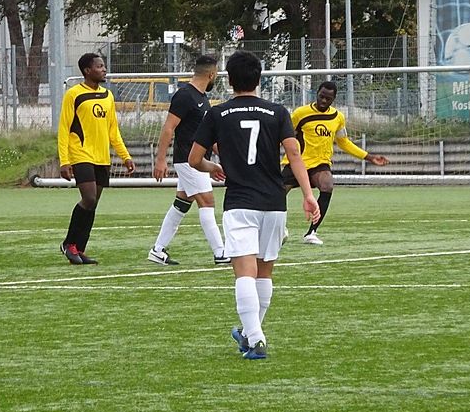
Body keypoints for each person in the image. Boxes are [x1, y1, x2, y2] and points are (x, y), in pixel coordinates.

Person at [189, 50, 320, 360]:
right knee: (264, 272)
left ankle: (256, 338)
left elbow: (194, 159)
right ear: (259, 79)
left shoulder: (218, 114)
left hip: (240, 203)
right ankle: (250, 334)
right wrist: (307, 194)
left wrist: (212, 167)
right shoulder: (278, 112)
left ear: (229, 80)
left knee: (244, 273)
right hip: (274, 203)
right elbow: (294, 155)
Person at [282, 81, 389, 245]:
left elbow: (343, 142)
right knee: (277, 193)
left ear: (334, 99)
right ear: (317, 93)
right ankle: (278, 227)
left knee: (327, 186)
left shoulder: (337, 117)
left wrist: (368, 157)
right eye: (321, 96)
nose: (324, 101)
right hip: (298, 163)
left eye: (328, 98)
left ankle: (311, 232)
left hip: (320, 163)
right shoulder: (300, 114)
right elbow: (285, 135)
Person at [148, 55, 229, 266]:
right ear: (211, 74)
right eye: (216, 74)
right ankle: (220, 253)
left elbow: (206, 135)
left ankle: (158, 250)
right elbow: (168, 128)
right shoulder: (185, 96)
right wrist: (160, 160)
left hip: (198, 161)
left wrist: (225, 158)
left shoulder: (202, 98)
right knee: (207, 202)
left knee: (181, 204)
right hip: (188, 160)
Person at [57, 53, 134, 265]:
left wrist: (125, 156)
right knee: (89, 198)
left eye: (104, 66)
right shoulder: (74, 94)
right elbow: (64, 129)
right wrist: (64, 160)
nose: (104, 69)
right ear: (87, 71)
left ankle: (79, 249)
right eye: (99, 66)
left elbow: (113, 130)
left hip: (102, 157)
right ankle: (69, 244)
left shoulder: (107, 96)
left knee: (93, 204)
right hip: (80, 154)